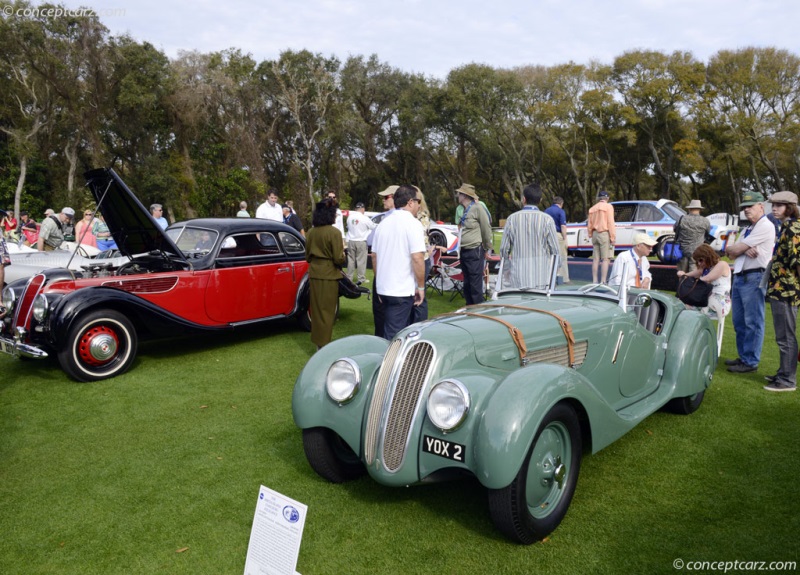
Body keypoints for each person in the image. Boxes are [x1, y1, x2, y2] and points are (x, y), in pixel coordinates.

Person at [724, 191, 776, 373]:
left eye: (750, 206)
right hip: (740, 276)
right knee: (739, 321)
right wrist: (743, 249)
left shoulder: (765, 226)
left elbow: (734, 249)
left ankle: (750, 362)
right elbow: (728, 251)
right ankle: (744, 357)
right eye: (744, 207)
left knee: (753, 321)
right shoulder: (748, 229)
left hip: (754, 276)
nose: (746, 210)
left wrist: (739, 248)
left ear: (761, 206)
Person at [371, 185, 426, 340]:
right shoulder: (413, 223)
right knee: (395, 335)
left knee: (386, 329)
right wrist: (421, 287)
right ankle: (389, 363)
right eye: (418, 201)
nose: (419, 205)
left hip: (383, 288)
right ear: (410, 202)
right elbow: (417, 258)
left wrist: (379, 282)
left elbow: (374, 256)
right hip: (400, 289)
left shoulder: (383, 224)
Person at [763, 191, 800, 391]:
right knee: (783, 336)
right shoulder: (786, 226)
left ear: (790, 207)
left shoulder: (794, 228)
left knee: (786, 337)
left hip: (787, 290)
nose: (774, 208)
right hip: (780, 288)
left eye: (780, 205)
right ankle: (783, 373)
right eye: (774, 205)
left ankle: (787, 380)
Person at [500, 183, 560, 289]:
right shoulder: (547, 220)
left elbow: (504, 249)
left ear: (524, 199)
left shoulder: (512, 219)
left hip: (518, 276)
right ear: (540, 200)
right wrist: (555, 271)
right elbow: (555, 251)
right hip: (542, 278)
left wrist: (506, 268)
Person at [305, 197, 345, 349]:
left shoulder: (311, 232)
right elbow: (338, 258)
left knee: (316, 311)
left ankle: (318, 343)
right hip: (329, 274)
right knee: (327, 312)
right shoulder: (334, 233)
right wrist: (343, 257)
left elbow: (307, 256)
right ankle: (324, 346)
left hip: (314, 273)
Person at [455, 183, 493, 305]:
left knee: (475, 284)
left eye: (459, 193)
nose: (457, 195)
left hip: (474, 251)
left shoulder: (478, 208)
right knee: (467, 284)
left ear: (465, 196)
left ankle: (478, 312)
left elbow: (486, 228)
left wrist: (487, 248)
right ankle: (469, 309)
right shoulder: (464, 209)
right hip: (464, 251)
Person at [371, 185, 398, 337]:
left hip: (385, 273)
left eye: (386, 197)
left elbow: (372, 248)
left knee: (382, 317)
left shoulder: (386, 220)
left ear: (395, 197)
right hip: (396, 275)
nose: (383, 200)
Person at [677, 243, 731, 318]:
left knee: (684, 309)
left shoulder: (722, 265)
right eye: (697, 261)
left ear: (708, 257)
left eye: (701, 260)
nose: (699, 263)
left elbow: (708, 278)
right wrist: (683, 274)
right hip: (705, 300)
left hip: (719, 303)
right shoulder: (705, 268)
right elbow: (692, 274)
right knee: (681, 305)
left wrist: (691, 279)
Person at [412, 186, 433, 323]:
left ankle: (419, 324)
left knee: (420, 295)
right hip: (419, 257)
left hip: (422, 258)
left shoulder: (422, 217)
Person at [674, 199, 710, 273]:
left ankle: (682, 283)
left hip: (682, 251)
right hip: (697, 252)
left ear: (689, 209)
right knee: (694, 274)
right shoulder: (705, 221)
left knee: (682, 274)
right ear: (700, 209)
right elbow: (708, 232)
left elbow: (675, 229)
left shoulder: (682, 219)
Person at [587, 190, 615, 284]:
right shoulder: (608, 207)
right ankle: (603, 281)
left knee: (595, 259)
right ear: (607, 198)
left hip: (595, 233)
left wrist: (590, 234)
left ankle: (594, 280)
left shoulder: (592, 208)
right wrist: (613, 237)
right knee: (605, 258)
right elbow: (610, 222)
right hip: (604, 233)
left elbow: (589, 224)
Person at [345, 202, 375, 285]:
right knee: (361, 260)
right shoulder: (364, 218)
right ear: (363, 209)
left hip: (351, 241)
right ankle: (361, 278)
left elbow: (348, 227)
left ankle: (349, 277)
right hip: (361, 241)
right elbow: (373, 227)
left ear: (355, 209)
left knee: (351, 260)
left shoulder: (350, 217)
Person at [544, 195, 570, 283]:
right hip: (557, 234)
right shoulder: (561, 211)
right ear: (561, 203)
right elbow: (563, 225)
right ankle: (564, 278)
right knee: (562, 256)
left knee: (549, 255)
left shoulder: (546, 211)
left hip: (547, 234)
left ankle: (548, 277)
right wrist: (565, 238)